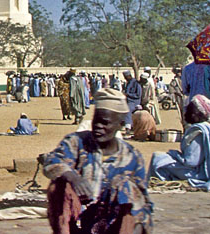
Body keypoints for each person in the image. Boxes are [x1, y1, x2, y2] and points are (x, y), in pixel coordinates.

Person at [43, 88, 153, 234]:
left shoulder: (132, 157)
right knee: (59, 186)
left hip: (112, 224)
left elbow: (143, 202)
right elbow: (52, 161)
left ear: (120, 124)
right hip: (77, 223)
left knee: (129, 189)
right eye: (96, 120)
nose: (98, 126)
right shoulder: (76, 142)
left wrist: (138, 226)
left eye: (105, 123)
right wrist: (74, 178)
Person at [149, 94, 210, 191]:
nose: (187, 113)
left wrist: (174, 154)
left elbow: (191, 161)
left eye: (190, 111)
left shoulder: (199, 130)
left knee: (158, 159)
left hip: (200, 173)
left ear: (197, 114)